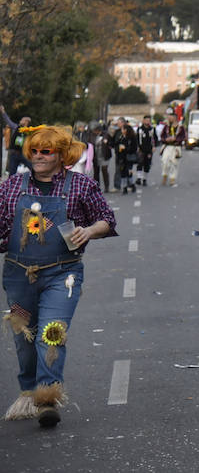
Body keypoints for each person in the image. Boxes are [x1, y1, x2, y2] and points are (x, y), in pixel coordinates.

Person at [1, 124, 117, 426]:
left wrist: (89, 230)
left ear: (61, 155)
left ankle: (47, 397)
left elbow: (106, 219)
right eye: (34, 151)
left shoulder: (80, 186)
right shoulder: (12, 186)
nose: (38, 156)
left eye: (46, 151)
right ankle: (28, 390)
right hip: (17, 274)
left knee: (52, 332)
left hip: (62, 274)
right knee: (25, 339)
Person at [110, 118, 138, 194]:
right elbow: (114, 143)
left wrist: (125, 148)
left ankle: (131, 185)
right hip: (121, 157)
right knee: (122, 172)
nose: (121, 130)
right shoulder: (120, 136)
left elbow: (134, 148)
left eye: (123, 129)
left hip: (129, 158)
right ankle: (124, 187)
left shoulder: (132, 137)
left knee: (128, 172)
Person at [159, 119, 186, 186]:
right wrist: (166, 139)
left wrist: (176, 139)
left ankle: (172, 178)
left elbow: (183, 137)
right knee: (164, 161)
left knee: (174, 163)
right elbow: (162, 135)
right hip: (167, 146)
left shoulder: (180, 127)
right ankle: (164, 175)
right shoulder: (166, 127)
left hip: (176, 147)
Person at [135, 115, 157, 187]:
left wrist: (154, 146)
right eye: (146, 120)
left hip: (149, 149)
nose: (147, 122)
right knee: (140, 163)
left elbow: (155, 138)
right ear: (143, 121)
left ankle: (144, 179)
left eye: (149, 120)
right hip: (141, 149)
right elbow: (136, 139)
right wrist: (137, 147)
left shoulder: (152, 129)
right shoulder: (140, 129)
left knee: (147, 164)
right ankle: (139, 178)